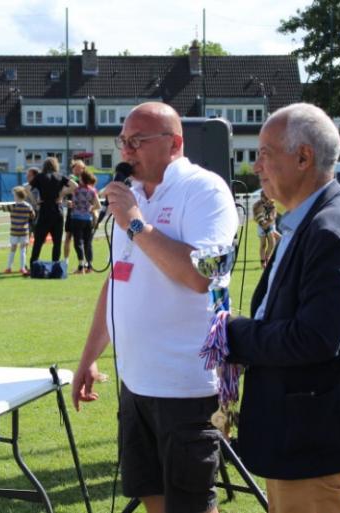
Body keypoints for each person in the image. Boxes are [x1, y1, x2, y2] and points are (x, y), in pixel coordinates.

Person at [72, 102, 238, 513]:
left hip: (186, 385)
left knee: (192, 505)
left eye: (138, 142)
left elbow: (202, 276)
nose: (126, 151)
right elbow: (117, 281)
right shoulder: (133, 198)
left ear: (174, 143)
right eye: (123, 141)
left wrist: (134, 222)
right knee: (152, 495)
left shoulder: (204, 190)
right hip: (136, 383)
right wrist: (89, 356)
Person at [223, 103, 340, 512]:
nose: (256, 165)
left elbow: (315, 338)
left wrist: (234, 333)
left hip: (310, 443)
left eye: (264, 153)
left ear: (303, 157)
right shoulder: (312, 221)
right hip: (298, 440)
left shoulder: (328, 229)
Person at [29, 157, 77, 267]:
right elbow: (75, 185)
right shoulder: (60, 176)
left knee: (38, 241)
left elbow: (26, 188)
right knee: (57, 242)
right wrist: (62, 194)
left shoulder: (40, 177)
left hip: (44, 210)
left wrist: (35, 200)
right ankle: (55, 266)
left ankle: (33, 265)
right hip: (57, 211)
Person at [69, 168, 101, 274]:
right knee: (88, 243)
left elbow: (73, 203)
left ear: (82, 179)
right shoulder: (92, 190)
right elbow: (98, 205)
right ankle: (89, 266)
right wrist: (90, 208)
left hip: (77, 218)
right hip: (88, 219)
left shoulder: (76, 190)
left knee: (78, 242)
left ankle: (81, 266)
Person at [1, 186, 35, 275]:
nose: (14, 197)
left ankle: (8, 268)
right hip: (24, 231)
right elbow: (33, 216)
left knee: (13, 249)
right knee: (23, 250)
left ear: (17, 196)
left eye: (14, 195)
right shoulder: (28, 206)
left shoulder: (13, 206)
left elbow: (2, 208)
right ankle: (22, 268)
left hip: (14, 231)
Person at [62, 160, 84, 267]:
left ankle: (83, 263)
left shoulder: (86, 181)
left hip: (83, 214)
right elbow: (62, 196)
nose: (79, 170)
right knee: (68, 237)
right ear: (73, 168)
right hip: (71, 214)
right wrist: (66, 203)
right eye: (76, 168)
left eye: (81, 168)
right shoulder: (69, 180)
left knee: (81, 239)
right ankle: (65, 261)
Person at [252, 190, 280, 268]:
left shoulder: (271, 203)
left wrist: (270, 221)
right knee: (263, 244)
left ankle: (267, 258)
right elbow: (255, 217)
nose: (266, 199)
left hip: (270, 225)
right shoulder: (257, 205)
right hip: (261, 226)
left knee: (272, 243)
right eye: (264, 197)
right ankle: (263, 262)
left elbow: (274, 214)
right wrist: (263, 223)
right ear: (261, 197)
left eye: (267, 197)